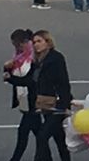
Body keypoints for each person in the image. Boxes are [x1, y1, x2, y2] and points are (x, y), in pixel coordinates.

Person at [31, 29, 72, 161]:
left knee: (43, 136)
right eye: (34, 42)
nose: (36, 44)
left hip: (57, 103)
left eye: (39, 41)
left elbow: (63, 82)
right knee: (58, 136)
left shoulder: (56, 58)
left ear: (47, 42)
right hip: (45, 103)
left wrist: (64, 104)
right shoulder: (38, 61)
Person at [3, 28, 40, 161]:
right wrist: (7, 68)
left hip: (32, 100)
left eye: (16, 45)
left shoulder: (33, 59)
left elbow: (29, 82)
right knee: (39, 132)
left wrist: (10, 79)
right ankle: (45, 156)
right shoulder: (19, 57)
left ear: (24, 43)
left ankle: (15, 159)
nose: (16, 48)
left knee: (23, 132)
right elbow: (14, 74)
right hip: (24, 100)